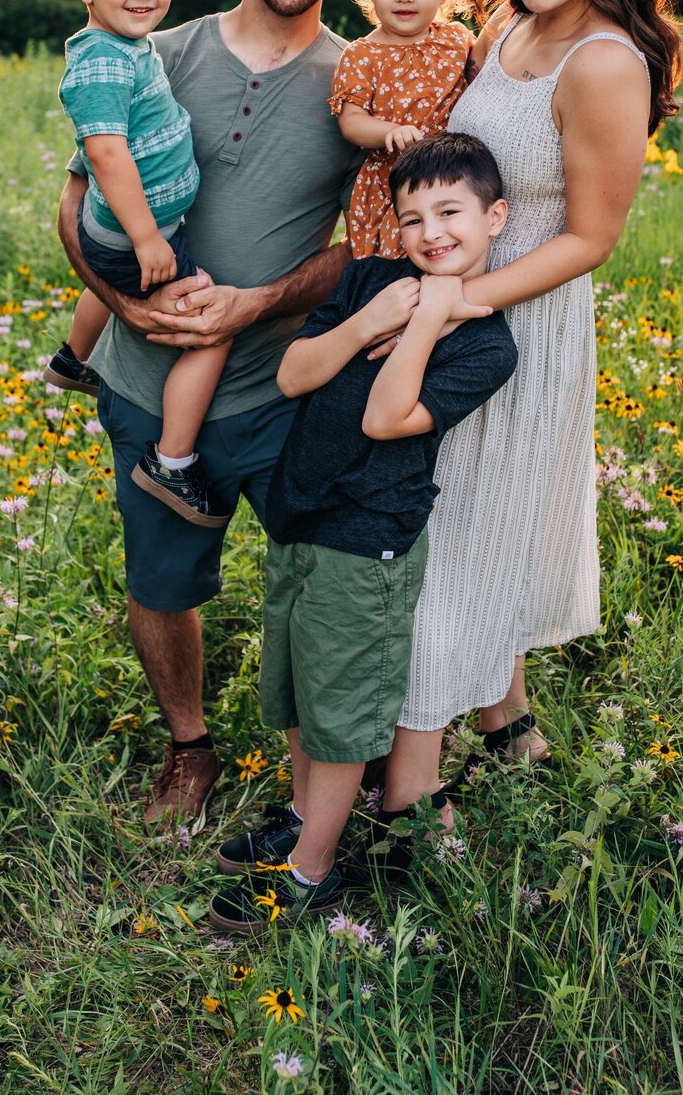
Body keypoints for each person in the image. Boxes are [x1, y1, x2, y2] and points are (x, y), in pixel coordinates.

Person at [381, 0, 683, 829]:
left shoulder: (605, 61)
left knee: (459, 544)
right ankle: (503, 710)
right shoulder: (511, 28)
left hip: (521, 328)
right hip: (460, 320)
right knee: (459, 531)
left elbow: (593, 237)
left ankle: (413, 801)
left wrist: (462, 301)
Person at [57, 0, 365, 822]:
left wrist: (256, 301)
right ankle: (189, 745)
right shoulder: (158, 51)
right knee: (162, 576)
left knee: (318, 574)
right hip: (147, 379)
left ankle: (316, 771)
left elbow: (366, 244)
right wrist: (129, 304)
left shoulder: (354, 79)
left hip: (279, 386)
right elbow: (75, 201)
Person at [207, 135, 518, 930]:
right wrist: (374, 316)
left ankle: (312, 872)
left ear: (496, 218)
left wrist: (430, 316)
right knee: (295, 691)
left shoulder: (487, 342)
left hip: (368, 534)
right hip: (298, 509)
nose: (430, 233)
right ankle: (307, 817)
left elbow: (387, 418)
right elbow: (292, 373)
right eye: (411, 218)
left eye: (450, 212)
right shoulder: (368, 280)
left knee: (341, 714)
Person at [48, 0, 230, 527]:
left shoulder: (128, 44)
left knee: (112, 269)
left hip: (123, 233)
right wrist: (149, 238)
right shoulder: (100, 59)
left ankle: (72, 360)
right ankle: (171, 463)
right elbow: (105, 154)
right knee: (211, 329)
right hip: (134, 238)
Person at [330, 0, 473, 258]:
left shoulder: (457, 41)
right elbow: (352, 121)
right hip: (394, 184)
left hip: (456, 178)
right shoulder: (363, 54)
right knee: (396, 273)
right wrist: (389, 132)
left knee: (456, 262)